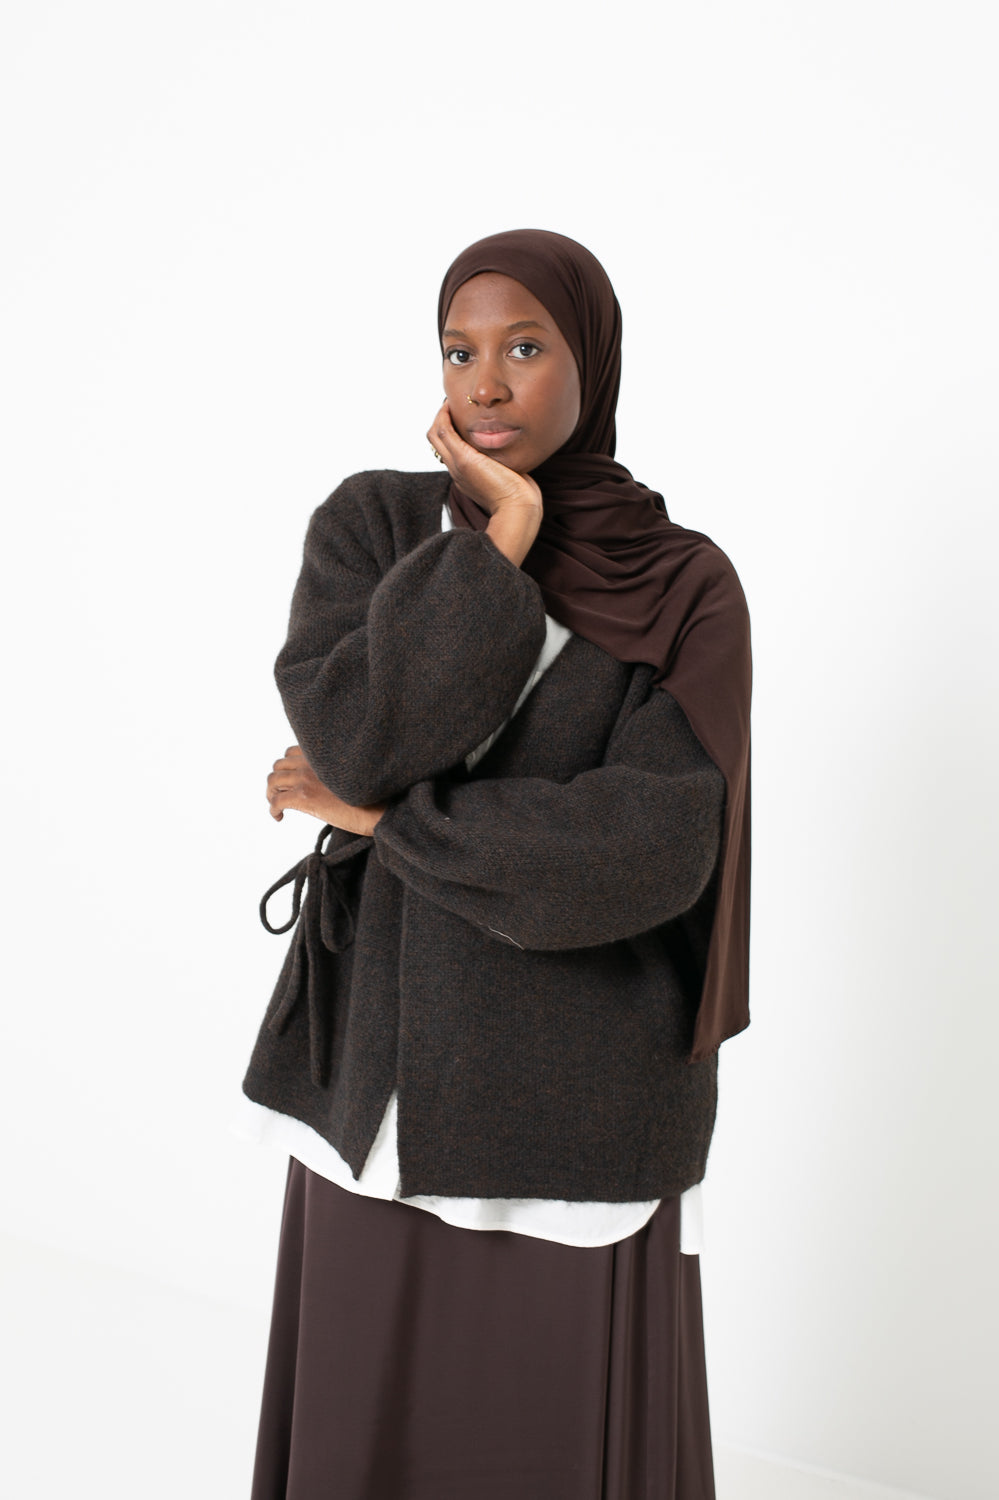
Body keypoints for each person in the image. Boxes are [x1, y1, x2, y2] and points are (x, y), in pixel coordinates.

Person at [239, 228, 752, 1500]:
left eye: (525, 347)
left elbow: (642, 853)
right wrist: (498, 542)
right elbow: (360, 741)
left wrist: (389, 826)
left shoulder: (683, 586)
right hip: (382, 1077)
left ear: (593, 360)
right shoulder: (375, 525)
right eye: (459, 351)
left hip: (580, 1095)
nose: (485, 382)